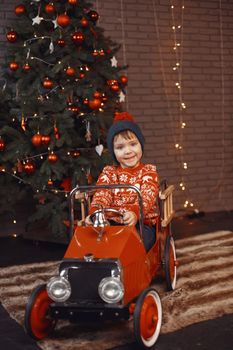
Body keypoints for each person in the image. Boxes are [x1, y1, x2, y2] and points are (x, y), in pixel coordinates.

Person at [85, 111, 159, 251]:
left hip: (141, 223)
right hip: (113, 223)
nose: (128, 151)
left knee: (138, 241)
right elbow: (102, 193)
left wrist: (134, 212)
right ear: (113, 151)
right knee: (96, 240)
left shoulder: (148, 171)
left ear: (141, 145)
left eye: (133, 144)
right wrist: (96, 212)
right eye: (120, 147)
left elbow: (147, 195)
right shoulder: (109, 172)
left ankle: (132, 266)